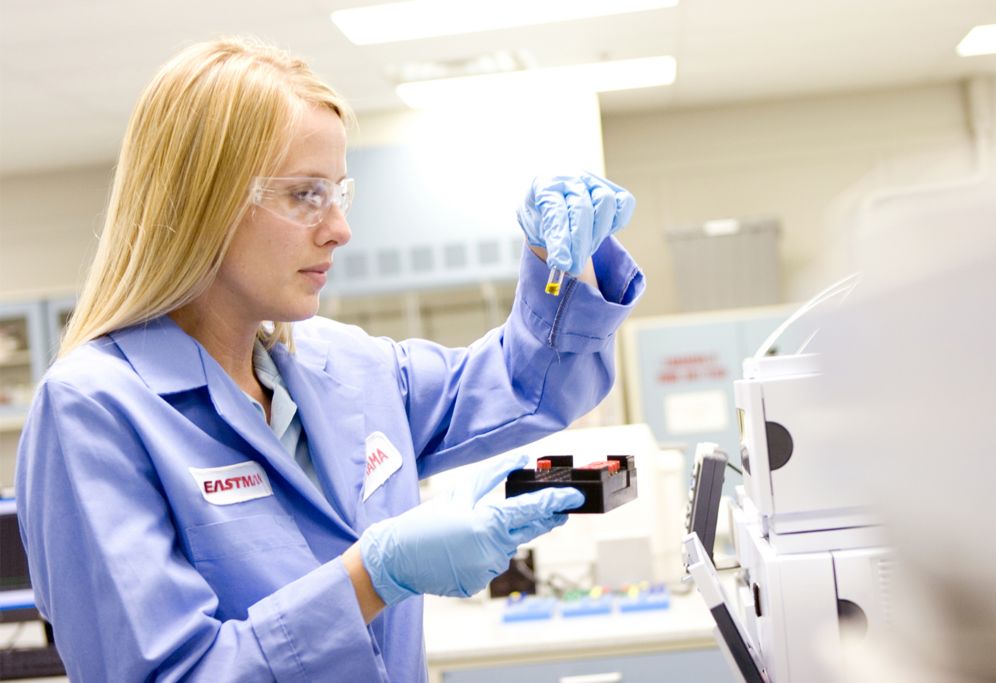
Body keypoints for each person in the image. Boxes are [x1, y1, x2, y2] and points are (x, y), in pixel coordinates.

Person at [15, 36, 644, 682]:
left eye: (338, 192)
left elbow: (521, 383)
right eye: (305, 194)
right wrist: (371, 577)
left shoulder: (345, 367)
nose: (339, 227)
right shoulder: (94, 413)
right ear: (202, 202)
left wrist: (565, 260)